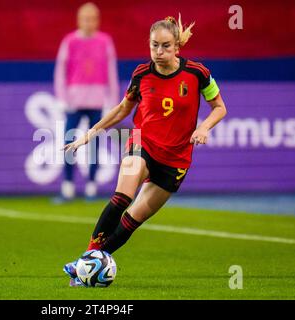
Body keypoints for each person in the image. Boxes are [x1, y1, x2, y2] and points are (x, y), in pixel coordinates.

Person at [63, 15, 227, 286]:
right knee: (121, 198)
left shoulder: (198, 73)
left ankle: (85, 264)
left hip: (175, 160)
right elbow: (121, 110)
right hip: (142, 143)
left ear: (177, 48)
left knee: (131, 221)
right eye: (154, 46)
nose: (159, 52)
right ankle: (86, 261)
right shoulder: (142, 74)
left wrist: (204, 127)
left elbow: (220, 107)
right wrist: (90, 134)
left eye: (165, 46)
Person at [54, 2, 119, 201]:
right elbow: (60, 71)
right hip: (74, 101)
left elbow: (111, 73)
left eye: (92, 19)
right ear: (79, 20)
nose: (89, 23)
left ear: (97, 21)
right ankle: (67, 185)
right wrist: (62, 99)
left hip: (97, 102)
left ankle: (91, 184)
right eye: (85, 19)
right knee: (69, 141)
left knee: (95, 144)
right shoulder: (70, 41)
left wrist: (113, 102)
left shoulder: (105, 41)